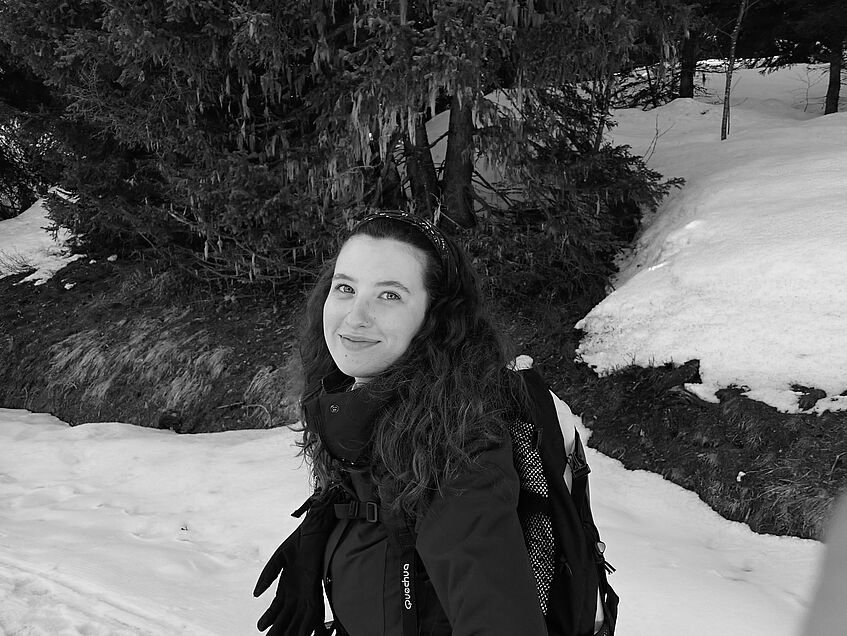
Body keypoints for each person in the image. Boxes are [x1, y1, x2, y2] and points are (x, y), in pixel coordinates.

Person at [254, 210, 552, 635]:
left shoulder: (458, 454)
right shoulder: (372, 412)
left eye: (389, 295)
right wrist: (323, 527)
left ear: (436, 318)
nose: (355, 317)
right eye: (345, 288)